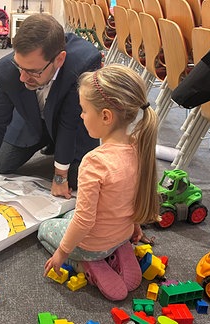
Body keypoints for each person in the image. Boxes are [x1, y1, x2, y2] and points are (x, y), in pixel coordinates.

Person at [38, 64, 160, 301]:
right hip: (122, 233)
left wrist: (63, 254)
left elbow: (84, 220)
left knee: (45, 230)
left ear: (105, 116)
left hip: (92, 245)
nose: (81, 116)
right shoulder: (139, 148)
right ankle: (120, 249)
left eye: (84, 110)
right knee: (68, 217)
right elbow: (133, 197)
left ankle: (86, 264)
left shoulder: (95, 162)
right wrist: (134, 228)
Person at [0, 14, 101, 211]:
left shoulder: (83, 61)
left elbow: (69, 121)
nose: (22, 77)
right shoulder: (6, 70)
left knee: (82, 179)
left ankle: (59, 152)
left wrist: (60, 175)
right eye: (19, 67)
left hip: (74, 125)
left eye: (32, 71)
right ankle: (48, 143)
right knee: (1, 165)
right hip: (32, 120)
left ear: (59, 59)